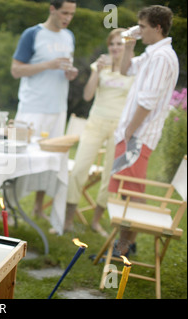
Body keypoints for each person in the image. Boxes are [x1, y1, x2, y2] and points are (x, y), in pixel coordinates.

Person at [109, 5, 179, 256]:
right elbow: (124, 69)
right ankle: (124, 244)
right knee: (125, 191)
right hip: (132, 134)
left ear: (158, 27)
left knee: (131, 192)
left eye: (144, 27)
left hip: (137, 136)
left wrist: (130, 131)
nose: (140, 31)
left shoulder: (162, 57)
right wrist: (129, 42)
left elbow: (148, 101)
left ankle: (126, 245)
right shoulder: (152, 53)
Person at [64, 28, 135, 236]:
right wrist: (97, 71)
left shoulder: (134, 69)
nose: (115, 48)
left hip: (119, 128)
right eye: (112, 44)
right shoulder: (100, 65)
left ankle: (96, 221)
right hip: (95, 123)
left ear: (127, 47)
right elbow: (87, 96)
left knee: (110, 176)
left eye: (119, 44)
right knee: (79, 169)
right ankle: (67, 221)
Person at [11, 0, 78, 219]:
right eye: (64, 13)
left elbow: (66, 68)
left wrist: (70, 73)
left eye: (72, 14)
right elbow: (16, 70)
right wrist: (47, 65)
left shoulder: (69, 37)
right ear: (52, 9)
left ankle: (38, 208)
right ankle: (10, 209)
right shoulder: (32, 34)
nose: (68, 18)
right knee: (18, 160)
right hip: (32, 108)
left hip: (58, 109)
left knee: (50, 164)